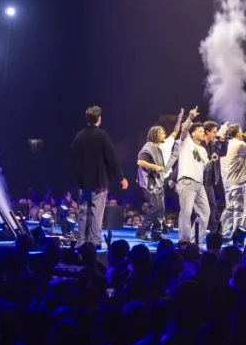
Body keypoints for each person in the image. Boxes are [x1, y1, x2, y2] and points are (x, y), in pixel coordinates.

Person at [71, 105, 127, 248]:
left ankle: (81, 242)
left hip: (83, 182)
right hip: (99, 182)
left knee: (83, 212)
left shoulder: (79, 136)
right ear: (99, 118)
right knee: (96, 212)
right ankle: (95, 241)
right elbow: (112, 157)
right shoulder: (102, 135)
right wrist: (120, 177)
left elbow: (74, 159)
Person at [136, 125, 177, 241]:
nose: (164, 135)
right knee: (155, 208)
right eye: (162, 133)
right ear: (155, 135)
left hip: (157, 182)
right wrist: (154, 166)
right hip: (150, 182)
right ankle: (141, 231)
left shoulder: (158, 148)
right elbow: (140, 161)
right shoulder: (148, 146)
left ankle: (156, 233)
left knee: (161, 209)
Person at [219, 124, 246, 236]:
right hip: (238, 184)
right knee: (240, 212)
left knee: (229, 209)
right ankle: (236, 237)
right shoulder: (239, 144)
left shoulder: (225, 145)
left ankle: (219, 233)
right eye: (241, 132)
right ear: (238, 134)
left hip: (227, 183)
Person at [176, 122, 214, 244]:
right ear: (192, 133)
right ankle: (184, 240)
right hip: (187, 181)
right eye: (200, 131)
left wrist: (211, 161)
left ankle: (195, 241)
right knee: (186, 212)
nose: (203, 133)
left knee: (205, 212)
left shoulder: (203, 150)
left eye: (204, 131)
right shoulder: (186, 142)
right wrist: (190, 118)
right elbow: (183, 129)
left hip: (199, 184)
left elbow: (205, 167)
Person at [202, 121, 228, 234]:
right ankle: (213, 230)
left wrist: (224, 142)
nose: (215, 134)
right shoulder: (200, 145)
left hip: (210, 181)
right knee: (208, 206)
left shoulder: (212, 145)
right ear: (206, 132)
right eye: (214, 132)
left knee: (212, 205)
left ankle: (215, 231)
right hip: (200, 180)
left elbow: (222, 153)